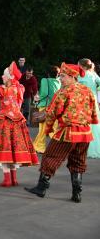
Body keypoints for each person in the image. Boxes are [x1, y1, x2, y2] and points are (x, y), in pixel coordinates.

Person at [25, 62, 98, 203]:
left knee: (50, 156)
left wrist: (48, 127)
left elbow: (52, 112)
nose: (60, 79)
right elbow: (93, 111)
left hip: (68, 132)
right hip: (85, 134)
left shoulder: (64, 92)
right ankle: (77, 194)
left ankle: (41, 188)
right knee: (78, 161)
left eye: (63, 76)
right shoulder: (87, 91)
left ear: (72, 76)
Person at [0, 61, 38, 187]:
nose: (2, 77)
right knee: (14, 149)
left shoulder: (3, 89)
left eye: (4, 75)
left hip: (5, 122)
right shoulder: (20, 88)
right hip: (18, 122)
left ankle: (7, 179)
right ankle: (14, 179)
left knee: (4, 149)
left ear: (10, 77)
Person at [32, 66, 61, 153]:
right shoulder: (59, 81)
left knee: (43, 129)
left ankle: (39, 147)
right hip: (55, 107)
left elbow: (44, 93)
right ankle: (58, 146)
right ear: (57, 74)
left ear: (48, 73)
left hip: (45, 106)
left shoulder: (45, 80)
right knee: (54, 127)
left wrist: (37, 99)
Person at [77, 58, 100, 158]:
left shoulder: (80, 76)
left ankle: (83, 149)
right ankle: (95, 148)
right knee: (94, 126)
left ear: (82, 66)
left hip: (83, 103)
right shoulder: (94, 75)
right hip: (93, 102)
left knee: (83, 125)